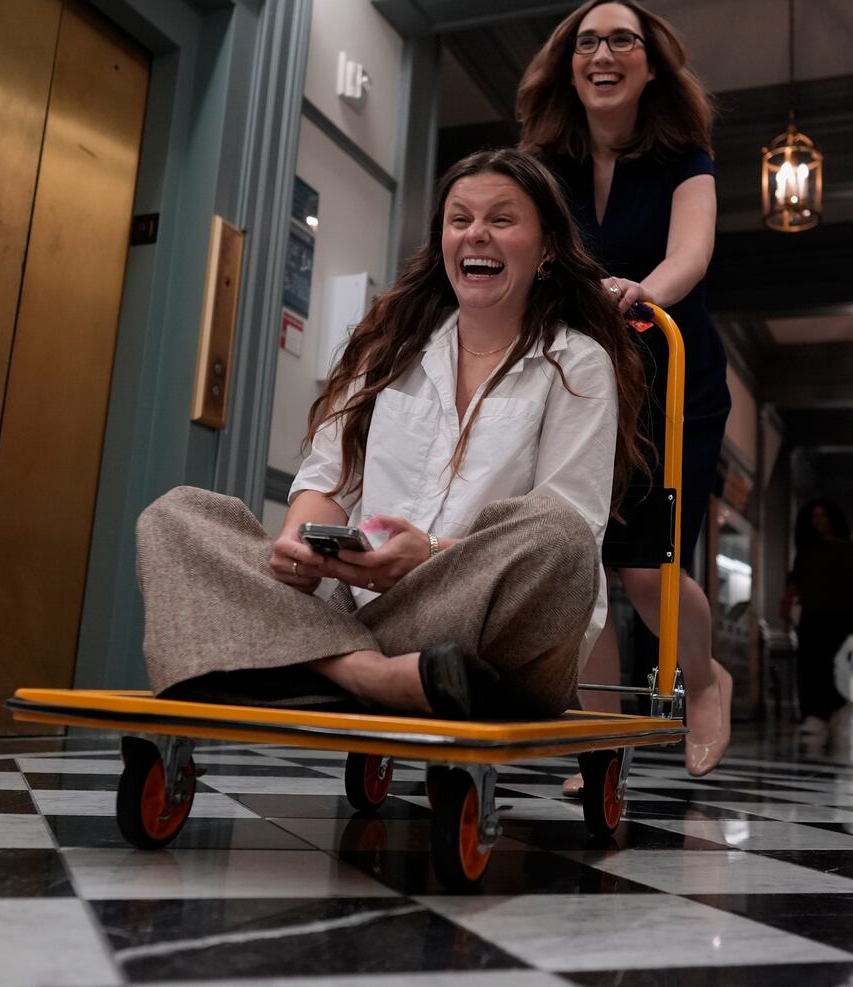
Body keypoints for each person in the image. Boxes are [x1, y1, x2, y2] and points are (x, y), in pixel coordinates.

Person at [134, 149, 649, 718]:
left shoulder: (576, 363)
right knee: (177, 516)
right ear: (442, 241)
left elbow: (568, 522)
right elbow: (328, 480)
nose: (476, 234)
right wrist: (298, 547)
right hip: (360, 612)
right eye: (460, 220)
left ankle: (311, 664)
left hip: (485, 624)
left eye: (502, 220)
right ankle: (371, 674)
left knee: (560, 536)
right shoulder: (390, 347)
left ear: (547, 247)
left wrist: (427, 555)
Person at [518, 0, 733, 780]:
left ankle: (705, 683)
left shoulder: (684, 155)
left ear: (650, 64)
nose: (602, 55)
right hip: (578, 384)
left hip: (673, 382)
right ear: (568, 68)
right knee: (579, 561)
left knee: (647, 568)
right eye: (585, 43)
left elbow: (692, 254)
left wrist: (640, 290)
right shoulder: (545, 165)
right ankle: (598, 729)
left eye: (622, 41)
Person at [780, 499, 853, 746]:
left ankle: (821, 714)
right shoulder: (808, 548)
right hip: (812, 612)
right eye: (815, 518)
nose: (819, 523)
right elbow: (795, 579)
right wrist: (786, 602)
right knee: (810, 663)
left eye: (823, 517)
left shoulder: (846, 548)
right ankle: (824, 712)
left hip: (837, 614)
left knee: (817, 662)